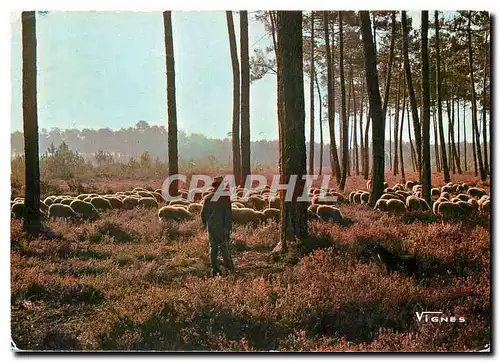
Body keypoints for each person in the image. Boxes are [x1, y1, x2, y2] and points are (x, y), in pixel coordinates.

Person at [201, 176, 235, 276]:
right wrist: (228, 228)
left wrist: (206, 224)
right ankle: (229, 269)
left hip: (211, 227)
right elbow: (228, 214)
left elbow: (203, 214)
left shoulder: (208, 198)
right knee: (224, 247)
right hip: (222, 227)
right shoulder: (225, 198)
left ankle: (215, 270)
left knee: (213, 248)